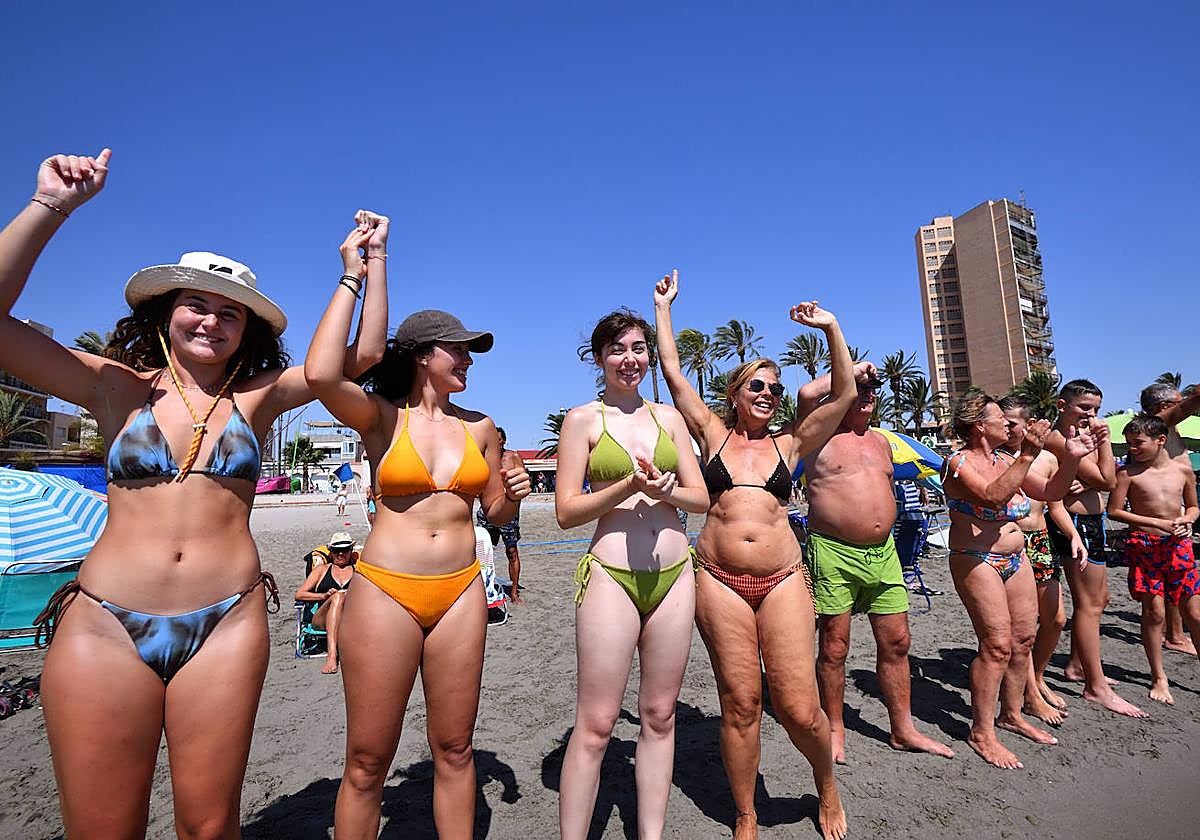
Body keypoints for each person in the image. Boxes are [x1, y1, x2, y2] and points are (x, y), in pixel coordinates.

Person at [6, 151, 383, 837]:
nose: (211, 322)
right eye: (196, 305)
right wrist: (49, 207)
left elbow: (355, 359)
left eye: (230, 314)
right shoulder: (113, 386)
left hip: (227, 625)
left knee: (210, 830)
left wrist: (361, 270)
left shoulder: (259, 399)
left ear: (249, 330)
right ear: (165, 313)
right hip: (103, 625)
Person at [305, 210, 531, 839]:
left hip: (460, 590)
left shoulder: (480, 426)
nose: (468, 361)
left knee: (456, 751)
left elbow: (493, 513)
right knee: (367, 761)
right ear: (422, 356)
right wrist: (366, 267)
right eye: (458, 350)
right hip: (385, 591)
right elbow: (324, 373)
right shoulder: (380, 417)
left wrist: (514, 494)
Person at [655, 270, 849, 840]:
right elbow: (672, 371)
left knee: (797, 705)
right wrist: (663, 308)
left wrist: (831, 326)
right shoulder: (711, 434)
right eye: (756, 388)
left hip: (783, 579)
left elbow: (842, 395)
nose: (767, 395)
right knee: (739, 703)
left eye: (774, 389)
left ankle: (826, 786)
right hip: (717, 580)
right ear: (736, 395)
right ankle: (746, 813)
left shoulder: (791, 443)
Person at [555, 306, 708, 840]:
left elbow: (702, 498)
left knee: (660, 715)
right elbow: (567, 510)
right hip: (610, 578)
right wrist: (626, 488)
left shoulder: (669, 420)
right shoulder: (582, 420)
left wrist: (667, 492)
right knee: (596, 725)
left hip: (675, 574)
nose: (630, 359)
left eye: (638, 348)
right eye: (618, 350)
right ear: (599, 358)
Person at [798, 364, 953, 764]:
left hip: (883, 553)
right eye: (859, 389)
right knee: (834, 646)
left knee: (898, 641)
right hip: (833, 551)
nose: (868, 394)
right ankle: (834, 726)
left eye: (872, 389)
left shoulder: (883, 442)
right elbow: (804, 393)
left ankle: (902, 728)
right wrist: (849, 371)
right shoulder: (818, 436)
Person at [941, 390, 1096, 769]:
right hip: (976, 559)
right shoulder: (958, 462)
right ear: (980, 426)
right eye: (1002, 420)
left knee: (1023, 639)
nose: (1010, 425)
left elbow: (1051, 492)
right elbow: (993, 497)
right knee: (995, 646)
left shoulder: (1005, 459)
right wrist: (1028, 453)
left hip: (1016, 557)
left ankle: (1011, 714)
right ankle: (981, 731)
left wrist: (1071, 458)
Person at [1043, 380, 1148, 718]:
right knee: (1088, 604)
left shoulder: (1079, 439)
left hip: (1093, 522)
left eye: (1096, 410)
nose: (1092, 416)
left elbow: (1100, 480)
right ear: (1062, 406)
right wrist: (1103, 444)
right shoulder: (1060, 439)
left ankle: (1076, 665)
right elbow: (1108, 481)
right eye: (1084, 408)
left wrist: (1089, 476)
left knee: (1099, 600)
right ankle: (1096, 685)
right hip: (1076, 526)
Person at [1106, 414, 1200, 705]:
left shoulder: (1182, 471)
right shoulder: (1128, 474)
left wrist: (1187, 519)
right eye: (1129, 443)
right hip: (1145, 544)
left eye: (1138, 443)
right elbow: (1114, 511)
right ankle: (1158, 675)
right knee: (1154, 612)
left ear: (1161, 440)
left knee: (1194, 614)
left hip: (1178, 544)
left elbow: (1194, 507)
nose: (1132, 448)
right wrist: (1154, 523)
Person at [1141, 380, 1200, 655]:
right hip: (1161, 519)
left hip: (1176, 514)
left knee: (1173, 581)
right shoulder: (1159, 422)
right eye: (1177, 401)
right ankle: (1174, 635)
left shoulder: (1165, 430)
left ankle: (1175, 633)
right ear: (1164, 406)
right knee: (1170, 583)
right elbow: (1189, 405)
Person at [295, 532, 358, 674]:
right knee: (337, 597)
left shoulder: (358, 570)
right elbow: (299, 594)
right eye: (336, 550)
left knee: (340, 596)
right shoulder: (321, 570)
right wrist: (323, 595)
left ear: (351, 551)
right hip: (321, 618)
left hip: (351, 618)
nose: (341, 553)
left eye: (345, 549)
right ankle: (332, 656)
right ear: (330, 552)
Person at [476, 427, 527, 603]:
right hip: (486, 511)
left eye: (498, 439)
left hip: (508, 511)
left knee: (511, 551)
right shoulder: (483, 457)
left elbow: (523, 481)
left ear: (503, 441)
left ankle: (514, 591)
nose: (494, 442)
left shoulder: (512, 457)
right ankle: (484, 588)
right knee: (481, 551)